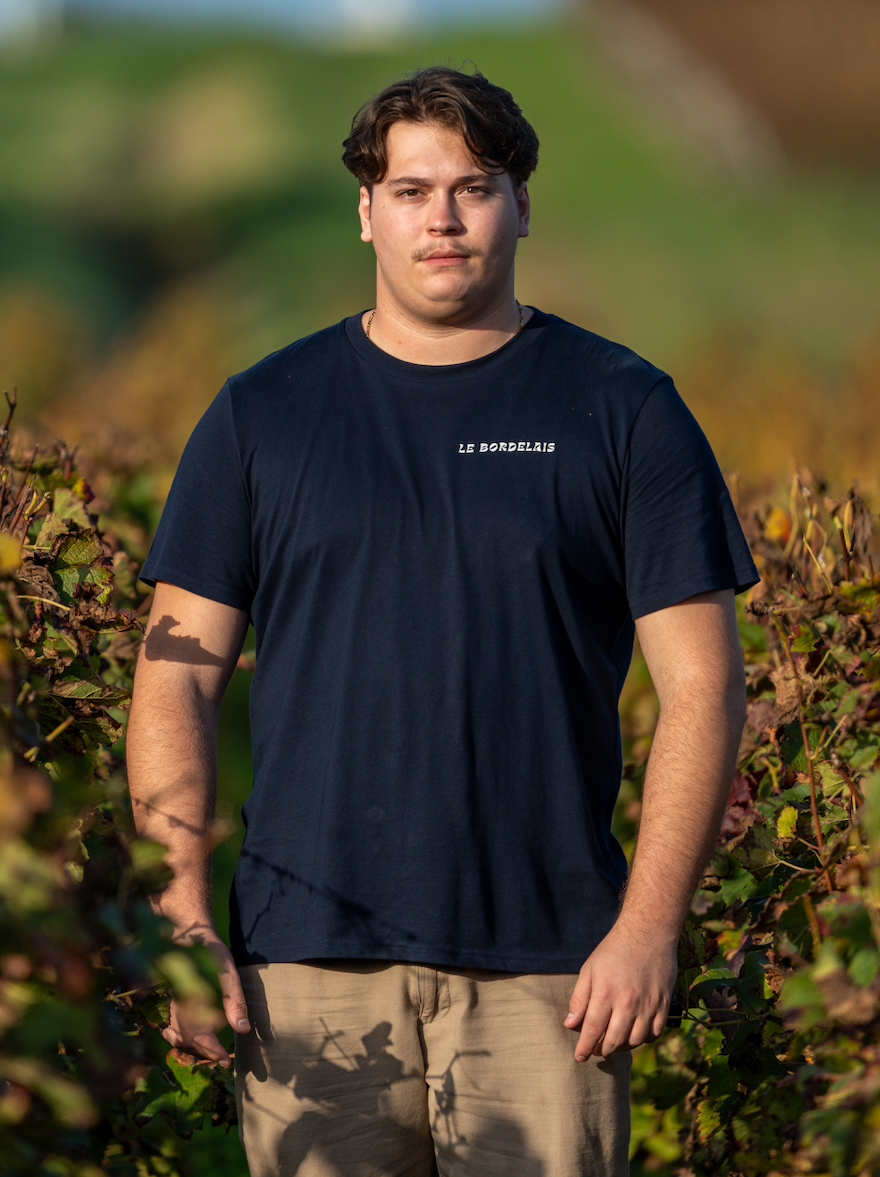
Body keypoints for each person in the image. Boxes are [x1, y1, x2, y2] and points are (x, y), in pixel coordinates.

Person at [127, 66, 756, 1177]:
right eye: (411, 189)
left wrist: (648, 926)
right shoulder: (260, 415)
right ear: (364, 208)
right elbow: (174, 675)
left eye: (473, 186)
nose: (443, 217)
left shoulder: (625, 410)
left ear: (520, 204)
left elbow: (702, 685)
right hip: (306, 967)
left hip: (555, 972)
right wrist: (180, 915)